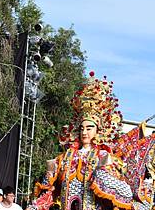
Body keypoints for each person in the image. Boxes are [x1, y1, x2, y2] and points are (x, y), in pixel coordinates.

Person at [33, 73, 133, 210]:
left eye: (89, 128)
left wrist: (102, 175)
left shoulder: (103, 156)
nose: (84, 132)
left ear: (98, 130)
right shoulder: (66, 157)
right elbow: (48, 191)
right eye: (82, 128)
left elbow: (126, 194)